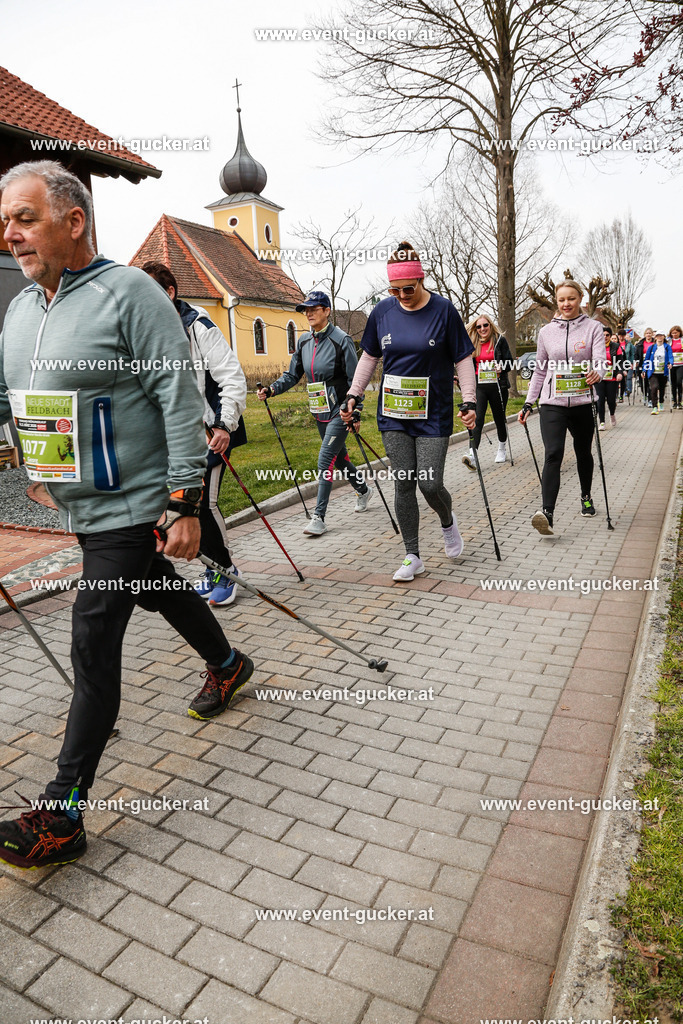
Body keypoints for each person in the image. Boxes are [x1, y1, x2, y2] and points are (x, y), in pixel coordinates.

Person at [0, 161, 254, 869]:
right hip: (79, 503)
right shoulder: (23, 310)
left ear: (72, 220)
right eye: (7, 221)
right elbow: (7, 399)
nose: (10, 234)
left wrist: (183, 502)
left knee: (93, 632)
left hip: (135, 501)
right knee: (155, 588)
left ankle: (62, 811)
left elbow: (179, 403)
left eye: (24, 218)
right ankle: (228, 664)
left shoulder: (130, 294)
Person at [341, 242, 476, 581]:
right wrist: (353, 394)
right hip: (394, 414)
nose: (401, 294)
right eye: (394, 289)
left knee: (429, 484)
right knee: (404, 483)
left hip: (434, 413)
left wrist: (470, 401)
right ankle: (412, 555)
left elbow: (462, 359)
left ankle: (448, 523)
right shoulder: (382, 312)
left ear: (421, 279)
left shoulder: (444, 311)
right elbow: (370, 357)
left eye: (407, 288)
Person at [142, 262, 247, 605]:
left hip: (214, 428)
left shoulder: (199, 326)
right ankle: (213, 569)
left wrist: (223, 424)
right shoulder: (149, 331)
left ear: (170, 293)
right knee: (184, 504)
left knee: (203, 503)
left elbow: (233, 377)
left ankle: (227, 572)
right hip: (176, 433)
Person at [257, 291, 372, 536]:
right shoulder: (304, 342)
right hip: (318, 410)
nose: (308, 313)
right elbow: (292, 375)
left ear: (327, 311)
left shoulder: (342, 340)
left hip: (340, 411)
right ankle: (363, 490)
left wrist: (356, 411)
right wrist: (272, 389)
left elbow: (356, 380)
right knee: (339, 459)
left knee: (324, 460)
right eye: (305, 310)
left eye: (313, 308)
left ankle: (319, 517)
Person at [518, 279, 605, 536]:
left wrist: (597, 373)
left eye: (571, 299)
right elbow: (540, 370)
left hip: (582, 402)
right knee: (553, 453)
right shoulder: (546, 333)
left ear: (580, 300)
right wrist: (528, 402)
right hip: (552, 403)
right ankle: (547, 513)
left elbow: (600, 360)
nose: (566, 304)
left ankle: (586, 496)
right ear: (556, 302)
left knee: (583, 453)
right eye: (561, 300)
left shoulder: (593, 328)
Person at [461, 315, 514, 469]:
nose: (482, 329)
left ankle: (502, 448)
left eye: (485, 325)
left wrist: (501, 367)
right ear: (475, 329)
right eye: (479, 327)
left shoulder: (499, 340)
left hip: (498, 386)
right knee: (477, 419)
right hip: (480, 386)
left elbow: (509, 361)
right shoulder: (472, 343)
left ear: (490, 326)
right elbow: (468, 365)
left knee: (499, 418)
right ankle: (473, 455)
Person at [593, 325, 622, 430]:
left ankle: (612, 414)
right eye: (603, 335)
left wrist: (619, 373)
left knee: (610, 400)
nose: (604, 337)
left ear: (610, 336)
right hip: (599, 377)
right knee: (600, 399)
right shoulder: (596, 346)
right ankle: (602, 422)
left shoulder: (616, 346)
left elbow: (620, 362)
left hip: (612, 377)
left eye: (607, 335)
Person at [643, 331, 674, 414]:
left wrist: (670, 363)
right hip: (653, 372)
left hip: (663, 372)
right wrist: (644, 370)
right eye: (658, 336)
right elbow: (647, 360)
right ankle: (655, 407)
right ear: (655, 337)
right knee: (654, 387)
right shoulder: (652, 347)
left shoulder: (667, 347)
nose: (660, 337)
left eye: (661, 336)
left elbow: (671, 357)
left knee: (662, 388)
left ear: (664, 337)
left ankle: (661, 402)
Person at [635, 328, 654, 403]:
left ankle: (650, 398)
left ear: (652, 334)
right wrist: (636, 361)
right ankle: (644, 394)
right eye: (647, 333)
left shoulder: (654, 343)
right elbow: (636, 354)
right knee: (643, 381)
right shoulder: (640, 344)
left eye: (650, 333)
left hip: (651, 364)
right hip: (642, 364)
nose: (648, 335)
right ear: (644, 335)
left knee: (650, 381)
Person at [668, 325, 683, 409]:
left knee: (678, 381)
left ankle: (680, 401)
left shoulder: (682, 340)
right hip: (672, 365)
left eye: (676, 333)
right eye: (673, 333)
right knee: (673, 384)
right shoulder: (669, 341)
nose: (674, 334)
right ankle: (675, 402)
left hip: (681, 364)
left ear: (679, 332)